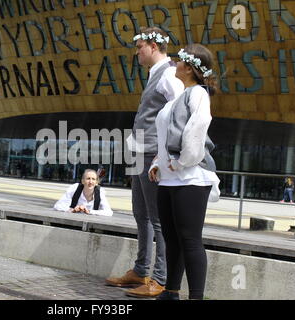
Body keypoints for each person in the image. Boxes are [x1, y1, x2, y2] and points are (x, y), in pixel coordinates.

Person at [105, 27, 184, 298]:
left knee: (158, 218)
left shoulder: (170, 73)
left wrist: (164, 155)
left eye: (139, 46)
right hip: (140, 152)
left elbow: (181, 111)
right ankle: (140, 270)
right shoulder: (155, 74)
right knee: (141, 215)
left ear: (153, 46)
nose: (137, 51)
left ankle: (159, 278)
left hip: (152, 155)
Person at [148, 43, 220, 300]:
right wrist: (157, 163)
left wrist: (182, 162)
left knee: (190, 239)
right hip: (169, 179)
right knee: (171, 238)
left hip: (190, 177)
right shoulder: (179, 97)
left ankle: (196, 297)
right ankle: (171, 291)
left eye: (179, 61)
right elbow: (166, 136)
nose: (175, 64)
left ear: (189, 68)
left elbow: (197, 130)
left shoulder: (198, 94)